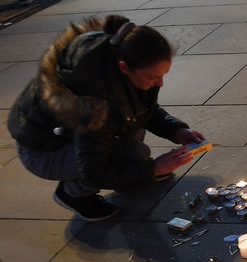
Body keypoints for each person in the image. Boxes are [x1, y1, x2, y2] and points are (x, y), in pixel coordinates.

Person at [6, 15, 204, 221]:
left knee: (133, 139)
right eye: (154, 77)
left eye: (163, 75)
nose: (160, 83)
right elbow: (94, 171)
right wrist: (154, 169)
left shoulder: (121, 71)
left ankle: (128, 175)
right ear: (124, 67)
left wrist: (177, 130)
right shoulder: (92, 103)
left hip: (78, 137)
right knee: (135, 152)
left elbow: (144, 110)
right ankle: (73, 193)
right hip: (44, 152)